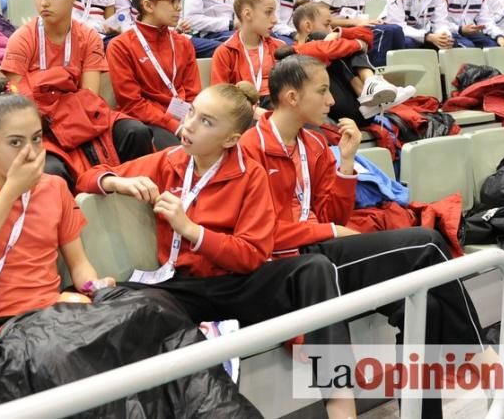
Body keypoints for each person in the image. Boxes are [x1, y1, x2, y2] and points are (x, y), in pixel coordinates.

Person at [0, 88, 252, 414]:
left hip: (55, 316)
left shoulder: (54, 188)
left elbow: (80, 265)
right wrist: (13, 189)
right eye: (16, 142)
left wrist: (92, 287)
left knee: (155, 311)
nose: (30, 153)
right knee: (71, 358)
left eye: (37, 139)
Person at [75, 85, 357, 419]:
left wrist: (193, 231)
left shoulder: (251, 175)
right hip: (181, 287)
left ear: (231, 139)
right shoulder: (169, 160)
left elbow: (251, 254)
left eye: (206, 122)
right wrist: (115, 182)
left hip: (237, 283)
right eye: (191, 112)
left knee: (315, 268)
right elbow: (85, 178)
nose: (190, 125)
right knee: (115, 297)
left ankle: (341, 402)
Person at [240, 53, 486, 419]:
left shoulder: (315, 145)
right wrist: (326, 230)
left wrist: (347, 162)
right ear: (291, 97)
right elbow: (261, 235)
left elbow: (334, 218)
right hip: (286, 269)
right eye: (322, 91)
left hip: (326, 256)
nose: (332, 101)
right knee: (426, 242)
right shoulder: (250, 148)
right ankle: (486, 359)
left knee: (424, 305)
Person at [0, 0, 153, 186]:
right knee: (51, 170)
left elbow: (89, 98)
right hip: (43, 127)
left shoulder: (89, 37)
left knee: (136, 132)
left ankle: (137, 204)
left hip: (85, 118)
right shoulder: (22, 39)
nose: (43, 3)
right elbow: (24, 107)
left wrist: (47, 89)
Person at [107, 0, 200, 150]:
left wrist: (194, 119)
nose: (179, 8)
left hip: (185, 118)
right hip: (148, 122)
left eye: (179, 1)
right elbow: (132, 103)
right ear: (148, 5)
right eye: (172, 1)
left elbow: (193, 92)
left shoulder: (183, 43)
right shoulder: (121, 46)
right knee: (181, 154)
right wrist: (174, 125)